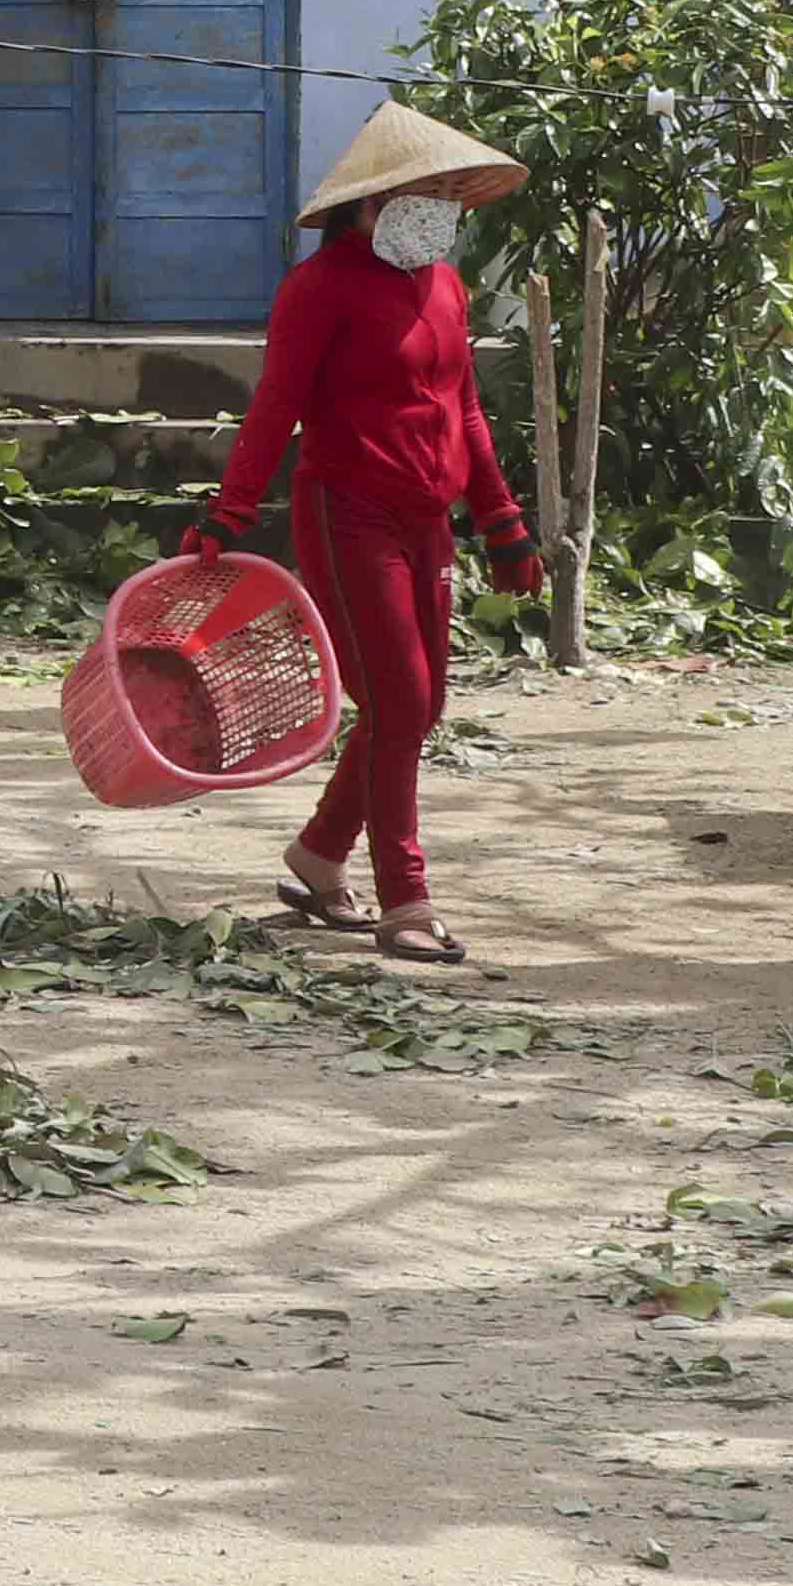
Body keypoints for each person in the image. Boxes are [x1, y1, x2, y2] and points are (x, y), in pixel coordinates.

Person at [190, 101, 545, 967]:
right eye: (424, 191)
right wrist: (227, 515)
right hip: (345, 512)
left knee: (417, 707)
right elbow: (276, 407)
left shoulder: (446, 287)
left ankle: (319, 856)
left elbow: (463, 406)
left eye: (450, 193)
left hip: (430, 520)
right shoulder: (318, 289)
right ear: (369, 203)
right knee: (396, 703)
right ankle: (407, 900)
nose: (442, 208)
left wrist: (503, 522)